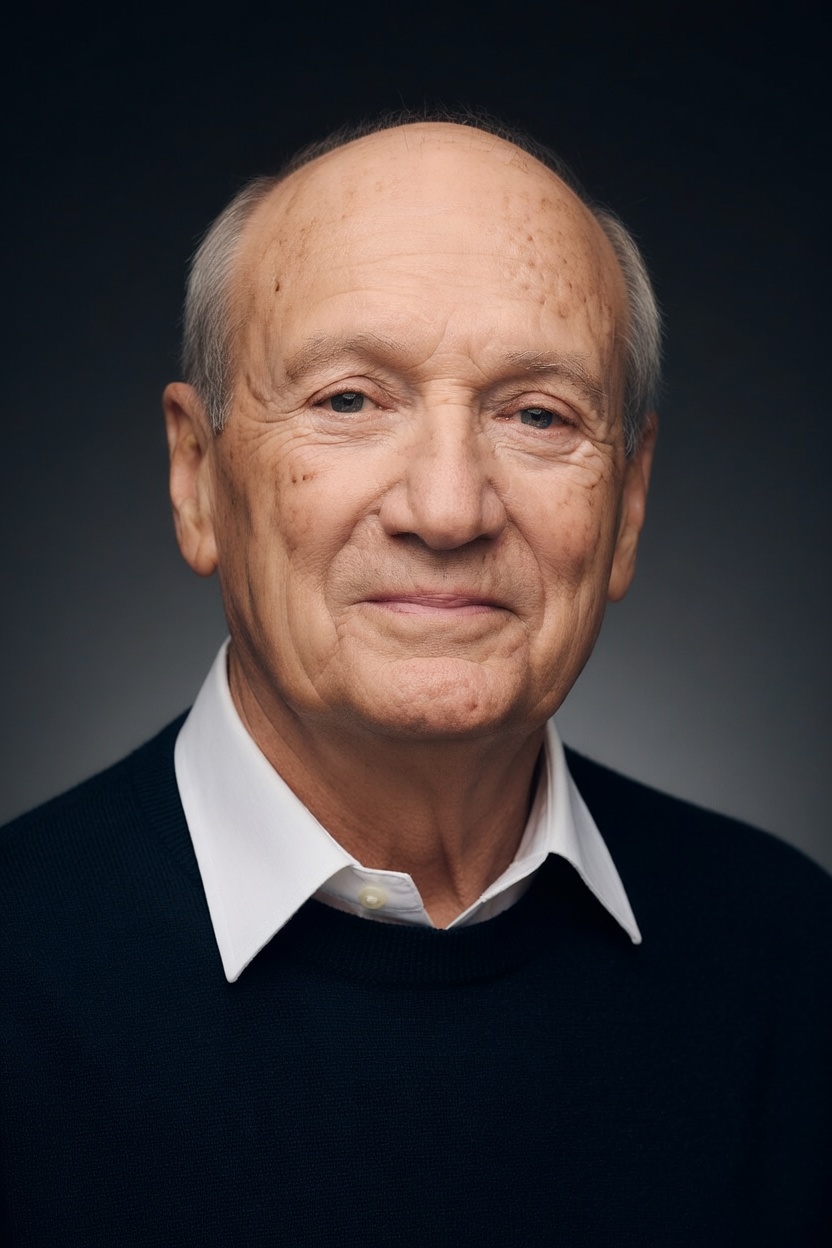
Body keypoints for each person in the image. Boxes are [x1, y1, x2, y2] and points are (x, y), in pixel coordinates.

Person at [2, 113, 830, 1246]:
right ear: (197, 477)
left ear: (628, 504)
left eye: (536, 414)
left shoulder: (795, 964)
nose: (446, 509)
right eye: (349, 400)